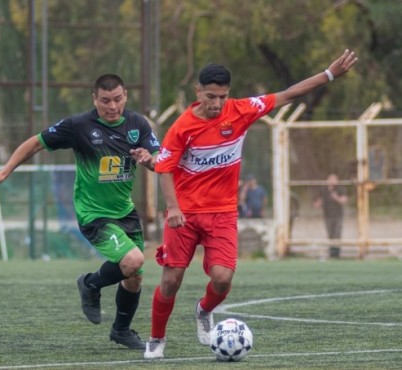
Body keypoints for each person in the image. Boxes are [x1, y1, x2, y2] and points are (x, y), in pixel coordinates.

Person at [143, 49, 358, 359]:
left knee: (222, 278)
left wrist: (329, 74)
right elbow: (163, 168)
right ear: (198, 92)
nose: (216, 103)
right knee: (171, 279)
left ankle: (204, 311)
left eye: (222, 96)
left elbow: (287, 95)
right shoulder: (182, 127)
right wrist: (173, 208)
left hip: (223, 214)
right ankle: (156, 339)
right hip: (185, 214)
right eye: (210, 96)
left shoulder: (242, 110)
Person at [0, 74, 160, 350]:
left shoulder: (138, 123)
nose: (112, 107)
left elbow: (159, 160)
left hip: (125, 212)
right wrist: (5, 171)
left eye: (117, 100)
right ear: (94, 99)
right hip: (94, 214)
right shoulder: (79, 126)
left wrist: (150, 161)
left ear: (125, 96)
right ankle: (90, 284)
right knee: (134, 260)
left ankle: (121, 331)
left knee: (134, 275)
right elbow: (36, 142)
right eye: (105, 101)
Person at [313, 173, 348, 258]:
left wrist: (337, 198)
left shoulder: (340, 189)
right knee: (330, 234)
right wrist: (319, 202)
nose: (332, 181)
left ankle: (337, 254)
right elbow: (316, 204)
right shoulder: (323, 190)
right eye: (330, 179)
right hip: (327, 215)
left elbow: (344, 200)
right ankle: (331, 253)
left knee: (337, 234)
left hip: (338, 215)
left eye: (334, 179)